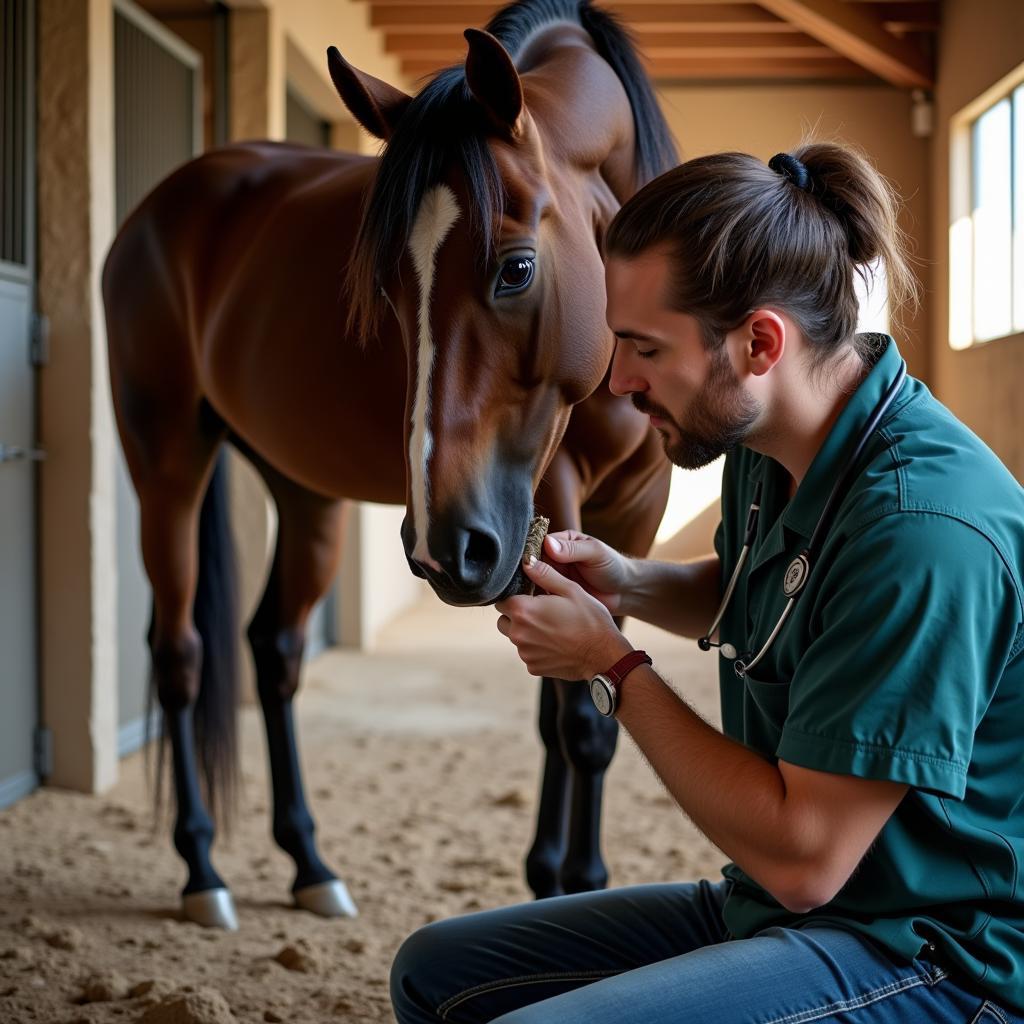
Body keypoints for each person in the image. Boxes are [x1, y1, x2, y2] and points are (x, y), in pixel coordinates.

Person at [389, 143, 1024, 1024]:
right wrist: (628, 580)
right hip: (790, 910)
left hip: (931, 955)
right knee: (435, 971)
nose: (618, 381)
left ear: (760, 343)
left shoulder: (924, 531)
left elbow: (804, 858)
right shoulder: (768, 439)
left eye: (645, 347)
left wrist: (613, 668)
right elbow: (759, 594)